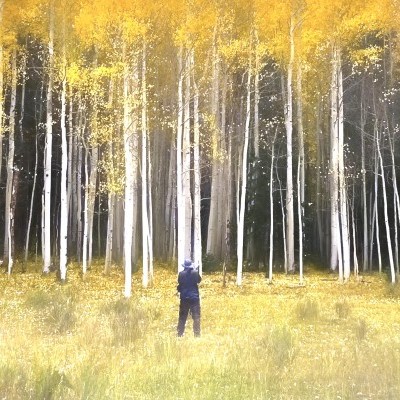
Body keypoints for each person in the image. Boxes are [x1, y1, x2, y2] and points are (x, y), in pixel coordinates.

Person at [177, 259, 202, 337]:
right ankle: (197, 335)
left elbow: (180, 283)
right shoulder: (195, 273)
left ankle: (180, 334)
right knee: (196, 317)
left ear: (184, 266)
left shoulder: (181, 274)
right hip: (194, 298)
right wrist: (195, 270)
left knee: (182, 317)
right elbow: (199, 280)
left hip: (184, 298)